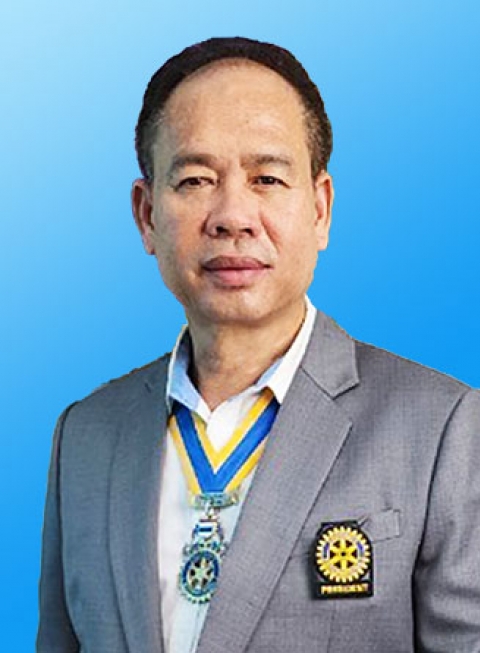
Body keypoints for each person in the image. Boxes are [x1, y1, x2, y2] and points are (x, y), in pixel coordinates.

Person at [37, 37, 480, 653]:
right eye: (196, 179)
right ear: (146, 214)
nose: (232, 216)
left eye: (267, 178)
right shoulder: (85, 436)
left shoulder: (443, 428)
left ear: (320, 209)